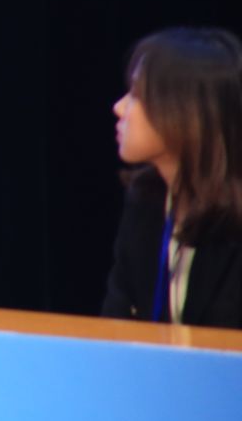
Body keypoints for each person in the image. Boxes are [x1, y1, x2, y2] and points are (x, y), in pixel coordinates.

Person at [100, 27, 242, 327]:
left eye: (137, 95)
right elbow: (117, 323)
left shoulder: (234, 224)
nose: (119, 107)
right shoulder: (146, 199)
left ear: (185, 113)